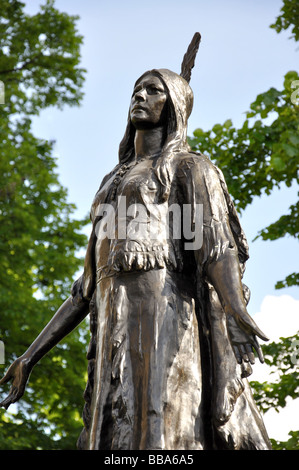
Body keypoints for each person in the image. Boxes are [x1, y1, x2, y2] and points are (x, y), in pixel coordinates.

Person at [0, 35, 272, 450]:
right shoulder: (110, 183)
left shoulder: (189, 168)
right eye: (136, 90)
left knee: (162, 432)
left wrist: (235, 307)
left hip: (163, 314)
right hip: (114, 323)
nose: (140, 96)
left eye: (154, 90)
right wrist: (28, 357)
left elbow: (216, 246)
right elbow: (83, 292)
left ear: (174, 107)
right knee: (113, 437)